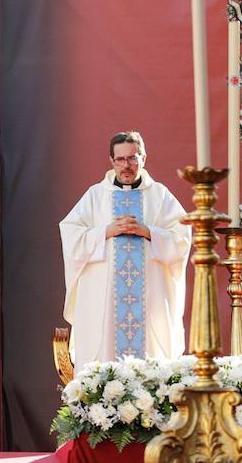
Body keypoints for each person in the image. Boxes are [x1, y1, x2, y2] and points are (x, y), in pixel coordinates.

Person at [60, 130, 191, 366]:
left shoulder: (160, 195)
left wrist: (149, 232)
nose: (126, 165)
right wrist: (105, 232)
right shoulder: (96, 195)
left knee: (151, 360)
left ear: (143, 158)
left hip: (149, 300)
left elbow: (181, 238)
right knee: (105, 359)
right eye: (120, 159)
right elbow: (70, 234)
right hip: (105, 302)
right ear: (111, 161)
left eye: (132, 158)